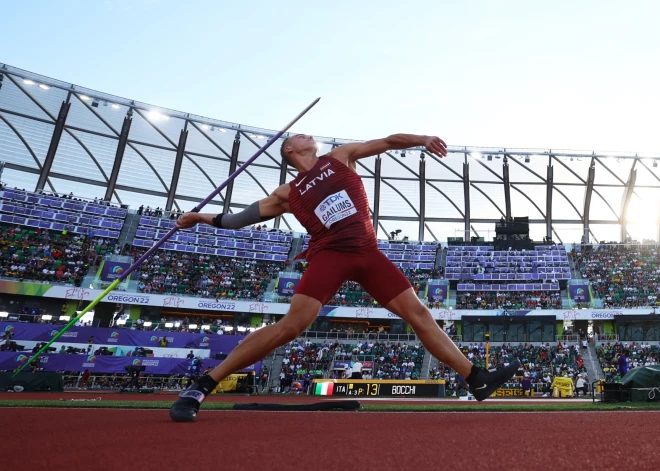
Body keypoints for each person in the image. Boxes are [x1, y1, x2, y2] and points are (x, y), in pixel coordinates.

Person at [170, 132, 520, 422]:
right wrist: (199, 217)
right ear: (290, 150)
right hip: (330, 256)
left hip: (368, 253)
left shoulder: (341, 156)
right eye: (300, 135)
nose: (309, 134)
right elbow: (237, 220)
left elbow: (387, 142)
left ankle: (476, 378)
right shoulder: (286, 193)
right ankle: (201, 386)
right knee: (291, 327)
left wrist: (421, 139)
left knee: (420, 314)